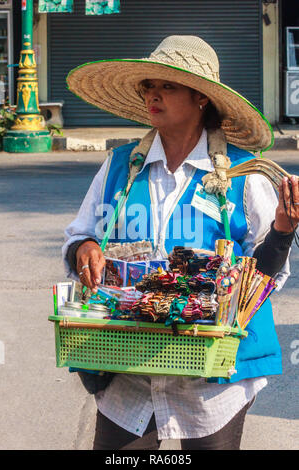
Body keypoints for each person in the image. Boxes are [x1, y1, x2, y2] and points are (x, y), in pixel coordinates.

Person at [63, 36, 299, 450]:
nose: (153, 94)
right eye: (148, 86)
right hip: (127, 370)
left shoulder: (244, 173)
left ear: (201, 98)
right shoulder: (120, 166)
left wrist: (282, 230)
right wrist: (83, 249)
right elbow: (79, 235)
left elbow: (261, 278)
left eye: (168, 86)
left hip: (212, 385)